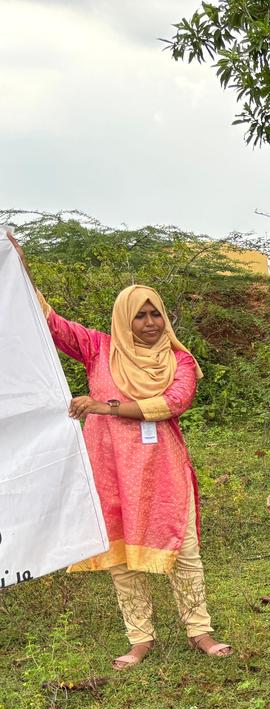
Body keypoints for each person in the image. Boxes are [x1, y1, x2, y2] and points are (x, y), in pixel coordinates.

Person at [9, 233, 231, 670]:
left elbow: (174, 403)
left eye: (156, 314)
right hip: (109, 468)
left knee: (183, 550)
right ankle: (139, 639)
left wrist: (103, 406)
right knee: (121, 556)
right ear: (123, 320)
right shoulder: (99, 349)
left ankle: (200, 632)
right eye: (140, 315)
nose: (150, 323)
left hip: (163, 468)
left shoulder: (179, 361)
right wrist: (20, 265)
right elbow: (48, 321)